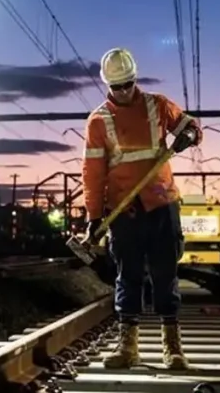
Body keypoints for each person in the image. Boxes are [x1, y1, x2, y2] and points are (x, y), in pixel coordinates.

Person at [82, 47, 202, 370]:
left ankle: (172, 348)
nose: (124, 91)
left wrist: (188, 135)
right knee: (128, 276)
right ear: (107, 85)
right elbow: (93, 174)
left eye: (129, 83)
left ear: (136, 78)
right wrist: (93, 217)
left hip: (161, 204)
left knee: (166, 275)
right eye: (117, 86)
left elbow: (191, 126)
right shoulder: (98, 122)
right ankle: (128, 347)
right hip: (124, 211)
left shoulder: (158, 106)